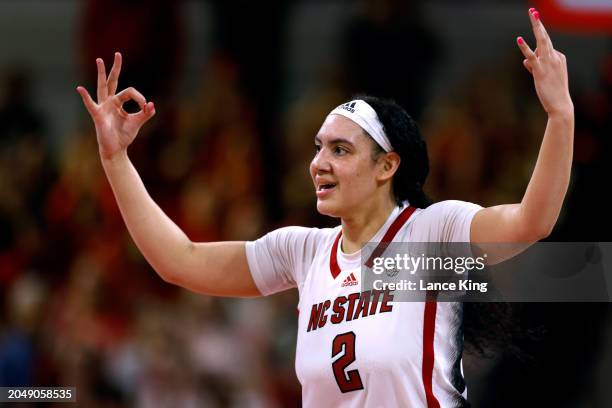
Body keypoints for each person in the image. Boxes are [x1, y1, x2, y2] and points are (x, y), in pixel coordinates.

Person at [77, 8, 573, 407]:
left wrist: (559, 114)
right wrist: (115, 158)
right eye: (318, 148)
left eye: (340, 150)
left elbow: (534, 220)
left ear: (386, 167)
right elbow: (178, 260)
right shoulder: (304, 251)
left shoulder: (432, 232)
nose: (318, 163)